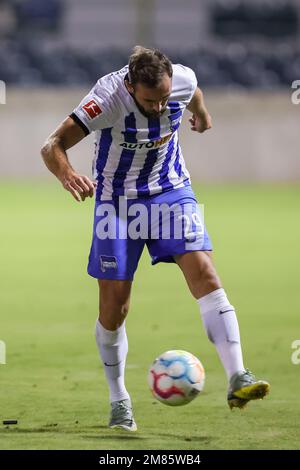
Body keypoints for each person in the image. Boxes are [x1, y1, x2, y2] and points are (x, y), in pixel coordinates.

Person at [41, 46, 270, 432]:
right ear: (130, 87)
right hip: (117, 203)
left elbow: (193, 92)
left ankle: (238, 377)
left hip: (171, 191)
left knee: (206, 275)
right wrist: (68, 176)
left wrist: (201, 112)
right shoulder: (105, 100)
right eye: (150, 101)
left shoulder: (181, 79)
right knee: (115, 307)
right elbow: (52, 145)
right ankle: (119, 401)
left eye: (165, 98)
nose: (160, 106)